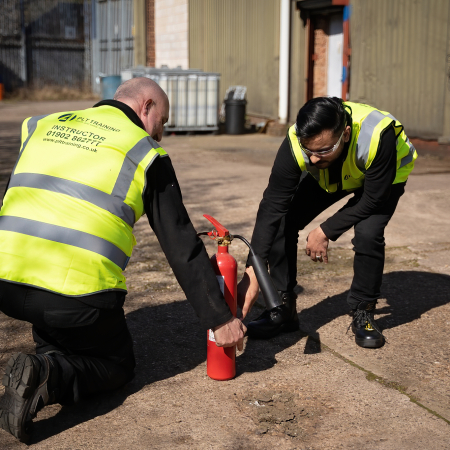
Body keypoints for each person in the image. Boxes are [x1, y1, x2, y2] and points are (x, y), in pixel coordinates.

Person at [0, 77, 246, 443]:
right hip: (75, 297)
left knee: (58, 325)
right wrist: (220, 319)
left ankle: (47, 358)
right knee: (116, 365)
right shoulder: (145, 152)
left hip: (7, 283)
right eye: (162, 122)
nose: (161, 134)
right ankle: (47, 373)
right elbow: (180, 244)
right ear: (146, 107)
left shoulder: (41, 125)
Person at [237, 97, 417, 349]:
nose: (312, 159)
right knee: (283, 221)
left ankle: (363, 312)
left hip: (383, 180)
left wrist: (326, 230)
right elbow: (272, 204)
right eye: (308, 150)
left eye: (321, 150)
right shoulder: (300, 141)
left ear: (344, 134)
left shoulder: (377, 134)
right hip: (336, 170)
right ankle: (283, 308)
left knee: (368, 233)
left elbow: (374, 199)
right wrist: (252, 271)